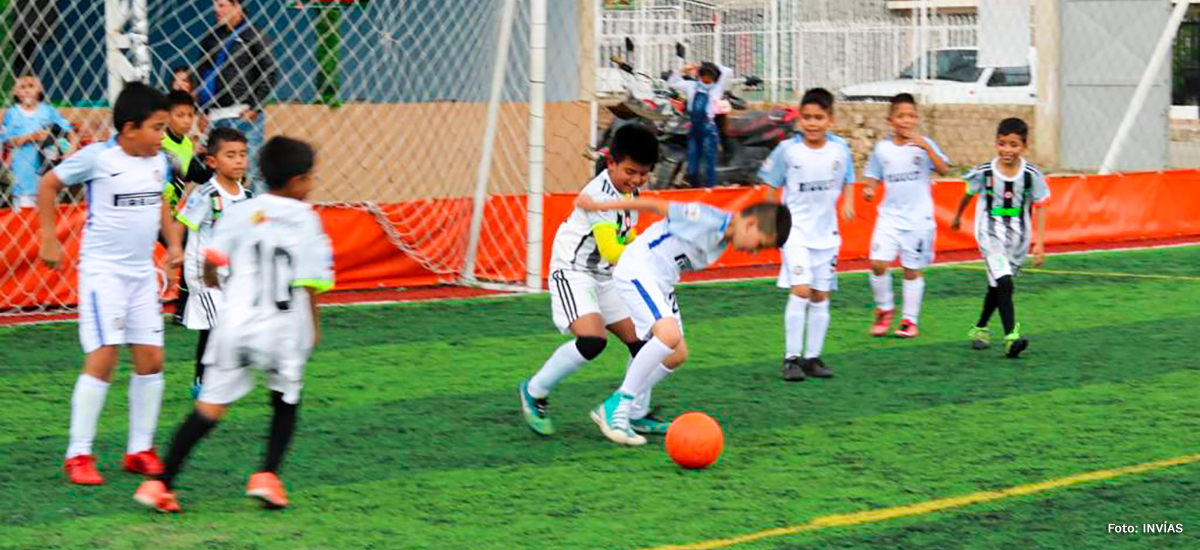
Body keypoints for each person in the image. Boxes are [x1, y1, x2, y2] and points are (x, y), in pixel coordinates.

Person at [135, 136, 333, 513]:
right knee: (285, 399)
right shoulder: (307, 219)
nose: (310, 186)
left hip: (234, 324)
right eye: (310, 179)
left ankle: (160, 484)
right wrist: (314, 327)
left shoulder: (243, 210)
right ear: (296, 182)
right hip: (282, 328)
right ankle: (267, 476)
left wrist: (213, 280)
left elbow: (212, 261)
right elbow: (310, 281)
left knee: (208, 409)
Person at [37, 82, 182, 485]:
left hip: (140, 275)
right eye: (157, 128)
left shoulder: (159, 162)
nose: (162, 136)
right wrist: (48, 237)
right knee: (103, 358)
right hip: (103, 274)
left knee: (151, 360)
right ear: (130, 127)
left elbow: (162, 205)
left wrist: (172, 245)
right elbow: (48, 183)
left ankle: (139, 449)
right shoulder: (99, 158)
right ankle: (78, 454)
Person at [578, 197, 791, 445]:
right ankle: (617, 405)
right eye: (759, 245)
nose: (753, 252)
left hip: (661, 283)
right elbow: (658, 206)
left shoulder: (724, 238)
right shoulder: (706, 218)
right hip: (638, 269)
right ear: (751, 223)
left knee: (676, 354)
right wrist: (600, 206)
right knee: (667, 335)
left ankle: (634, 414)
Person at [518, 124, 671, 437]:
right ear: (611, 162)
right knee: (592, 340)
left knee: (645, 343)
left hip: (606, 274)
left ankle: (634, 412)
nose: (637, 180)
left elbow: (624, 239)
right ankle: (534, 391)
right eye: (630, 171)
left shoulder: (631, 192)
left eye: (644, 173)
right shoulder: (598, 195)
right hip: (573, 271)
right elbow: (612, 249)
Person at [758, 88, 855, 381]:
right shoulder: (788, 150)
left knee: (819, 294)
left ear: (831, 120)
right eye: (807, 117)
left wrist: (848, 201)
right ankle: (791, 358)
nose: (812, 123)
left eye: (819, 117)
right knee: (800, 289)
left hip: (827, 235)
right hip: (795, 232)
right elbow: (771, 186)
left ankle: (812, 358)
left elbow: (849, 179)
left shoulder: (840, 149)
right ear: (799, 118)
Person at [951, 117, 1048, 358]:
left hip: (1018, 239)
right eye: (1002, 144)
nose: (1007, 150)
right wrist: (958, 215)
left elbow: (1041, 203)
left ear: (1023, 146)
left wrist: (1040, 241)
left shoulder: (1031, 175)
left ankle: (980, 328)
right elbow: (968, 193)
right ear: (996, 143)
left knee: (997, 287)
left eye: (1013, 145)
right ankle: (1011, 338)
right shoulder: (985, 172)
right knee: (1005, 283)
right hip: (990, 234)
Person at [859, 93, 951, 339]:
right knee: (878, 263)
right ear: (891, 120)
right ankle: (885, 308)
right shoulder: (883, 149)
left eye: (910, 116)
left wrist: (927, 147)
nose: (906, 121)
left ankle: (909, 320)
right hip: (889, 218)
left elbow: (943, 169)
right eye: (900, 116)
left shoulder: (924, 145)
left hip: (918, 220)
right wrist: (869, 189)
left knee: (911, 269)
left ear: (916, 119)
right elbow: (872, 175)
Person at [176, 127, 252, 399]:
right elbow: (182, 221)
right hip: (201, 272)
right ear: (212, 162)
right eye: (230, 155)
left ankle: (205, 379)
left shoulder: (246, 196)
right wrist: (173, 250)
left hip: (229, 273)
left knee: (219, 326)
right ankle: (207, 382)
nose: (239, 160)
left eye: (242, 154)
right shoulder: (207, 193)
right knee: (218, 325)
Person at [196, 0, 278, 192]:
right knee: (215, 171)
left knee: (253, 171)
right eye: (215, 4)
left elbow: (270, 71)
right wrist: (203, 111)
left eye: (222, 4)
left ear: (237, 6)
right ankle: (220, 215)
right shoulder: (211, 38)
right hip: (215, 116)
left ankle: (259, 218)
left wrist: (255, 107)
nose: (216, 9)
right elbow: (203, 74)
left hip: (242, 115)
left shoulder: (254, 34)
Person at [3, 74, 76, 209]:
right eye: (22, 87)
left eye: (31, 86)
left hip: (48, 175)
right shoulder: (12, 114)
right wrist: (33, 136)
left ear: (40, 89)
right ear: (15, 91)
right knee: (24, 219)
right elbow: (7, 142)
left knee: (49, 217)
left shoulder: (48, 111)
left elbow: (70, 133)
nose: (27, 90)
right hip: (23, 179)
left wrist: (69, 153)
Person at [668, 60, 732, 188]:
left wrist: (706, 65)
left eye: (711, 77)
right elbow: (672, 83)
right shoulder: (692, 86)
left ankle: (709, 191)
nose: (708, 80)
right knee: (693, 165)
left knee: (709, 165)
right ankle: (695, 189)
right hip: (694, 129)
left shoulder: (717, 88)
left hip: (709, 129)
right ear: (700, 76)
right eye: (705, 76)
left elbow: (728, 71)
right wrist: (682, 70)